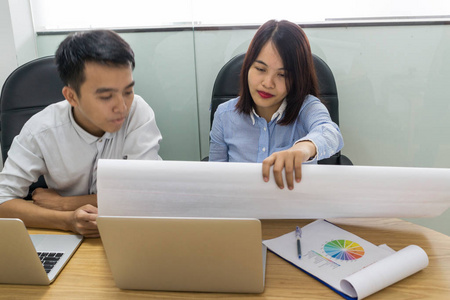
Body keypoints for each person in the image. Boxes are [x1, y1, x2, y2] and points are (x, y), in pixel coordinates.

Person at [0, 30, 162, 237]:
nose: (121, 106)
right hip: (66, 237)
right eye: (105, 96)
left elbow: (146, 194)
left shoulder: (138, 112)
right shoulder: (41, 130)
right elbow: (3, 201)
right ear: (71, 97)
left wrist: (62, 203)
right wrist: (67, 220)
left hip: (129, 233)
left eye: (128, 91)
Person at [209, 20, 344, 190]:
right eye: (260, 69)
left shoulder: (307, 107)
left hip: (296, 213)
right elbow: (214, 179)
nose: (268, 83)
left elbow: (331, 133)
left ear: (297, 79)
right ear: (247, 67)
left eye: (282, 75)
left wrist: (303, 149)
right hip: (242, 212)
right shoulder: (224, 115)